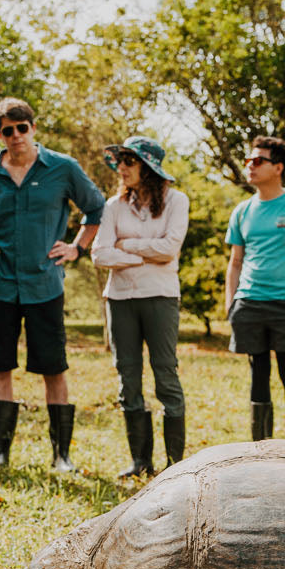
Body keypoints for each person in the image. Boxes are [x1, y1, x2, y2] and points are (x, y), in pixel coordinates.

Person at [0, 97, 104, 471]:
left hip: (45, 284)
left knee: (53, 367)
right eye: (8, 130)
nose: (17, 135)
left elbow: (96, 207)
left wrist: (76, 248)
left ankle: (61, 455)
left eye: (23, 128)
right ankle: (0, 452)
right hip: (1, 284)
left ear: (33, 128)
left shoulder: (62, 168)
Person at [91, 137, 190, 476]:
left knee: (165, 373)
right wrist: (143, 254)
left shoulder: (177, 201)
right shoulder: (112, 207)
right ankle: (140, 462)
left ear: (147, 167)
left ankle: (174, 464)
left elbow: (169, 249)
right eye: (119, 161)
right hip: (120, 300)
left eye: (128, 161)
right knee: (127, 377)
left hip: (160, 297)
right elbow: (100, 253)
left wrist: (128, 246)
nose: (121, 168)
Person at [224, 135, 285, 443]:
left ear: (278, 167)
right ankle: (261, 450)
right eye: (248, 161)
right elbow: (235, 262)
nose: (250, 167)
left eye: (258, 161)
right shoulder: (242, 211)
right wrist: (231, 305)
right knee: (258, 375)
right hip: (249, 303)